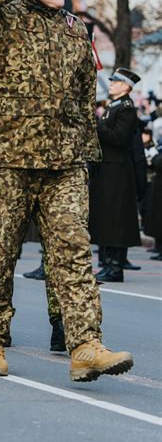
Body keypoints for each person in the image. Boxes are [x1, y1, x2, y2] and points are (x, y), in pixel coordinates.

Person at [0, 0, 134, 381]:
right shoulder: (2, 18)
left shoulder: (75, 30)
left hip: (64, 164)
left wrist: (88, 155)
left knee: (73, 257)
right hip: (10, 162)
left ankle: (85, 345)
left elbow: (86, 96)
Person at [89, 68, 142, 282]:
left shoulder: (127, 109)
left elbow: (119, 138)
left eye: (115, 82)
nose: (111, 84)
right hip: (109, 169)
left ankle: (116, 266)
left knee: (117, 220)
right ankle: (109, 263)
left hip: (118, 170)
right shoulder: (114, 106)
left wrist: (97, 126)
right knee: (108, 219)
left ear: (126, 87)